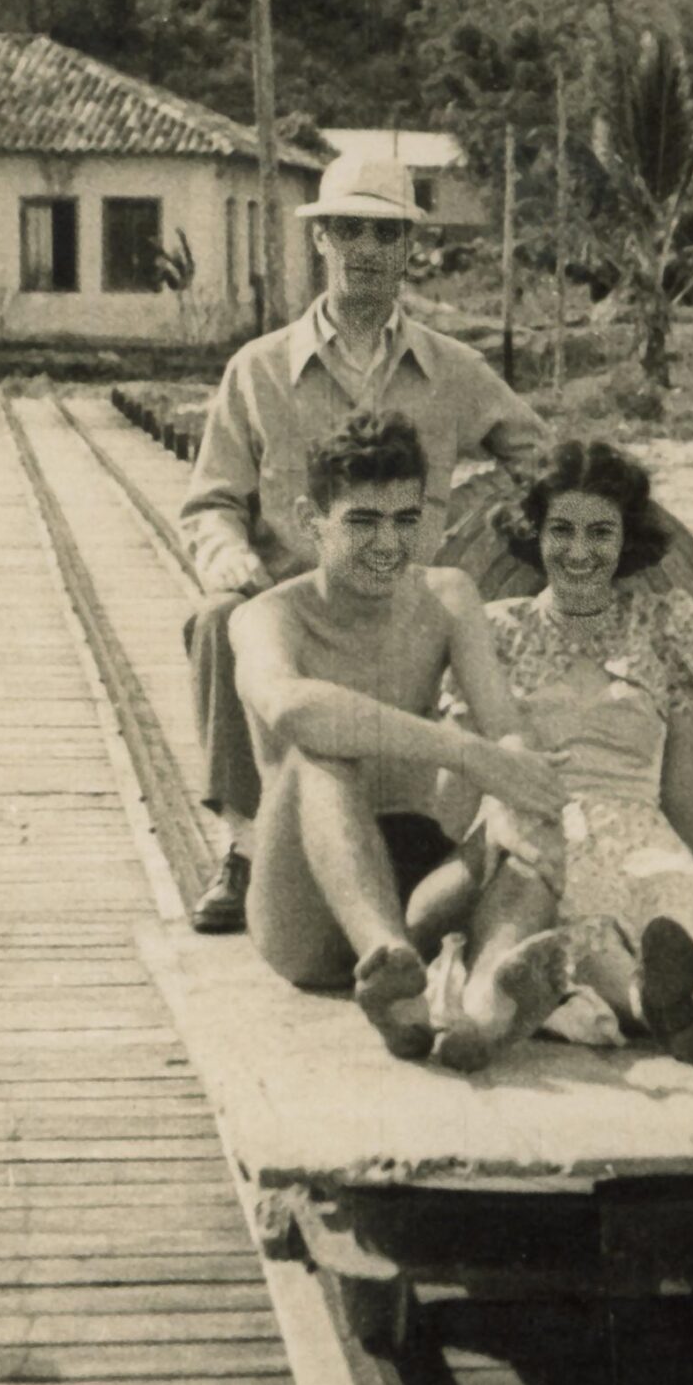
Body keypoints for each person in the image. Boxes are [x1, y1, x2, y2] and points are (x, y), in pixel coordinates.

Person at [180, 150, 546, 936]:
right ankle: (243, 845)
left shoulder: (455, 370)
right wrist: (228, 554)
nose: (367, 251)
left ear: (410, 248)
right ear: (321, 242)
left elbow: (544, 466)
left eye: (386, 233)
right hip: (293, 603)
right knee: (214, 619)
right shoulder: (257, 370)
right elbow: (211, 500)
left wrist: (494, 528)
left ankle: (452, 848)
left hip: (401, 605)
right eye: (349, 231)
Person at [228, 410, 569, 1063]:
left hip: (419, 882)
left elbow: (506, 730)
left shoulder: (447, 595)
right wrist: (466, 753)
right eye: (362, 521)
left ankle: (486, 1003)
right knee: (323, 753)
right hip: (304, 911)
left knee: (529, 807)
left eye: (405, 521)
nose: (389, 544)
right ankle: (392, 967)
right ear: (311, 519)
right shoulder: (268, 616)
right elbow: (295, 709)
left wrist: (513, 790)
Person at [431, 437, 693, 1068]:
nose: (580, 552)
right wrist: (452, 858)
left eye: (600, 532)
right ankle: (666, 1008)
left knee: (680, 902)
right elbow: (461, 779)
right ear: (534, 534)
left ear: (626, 540)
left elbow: (683, 783)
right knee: (586, 902)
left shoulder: (669, 626)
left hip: (641, 828)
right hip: (538, 827)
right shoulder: (497, 633)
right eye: (561, 530)